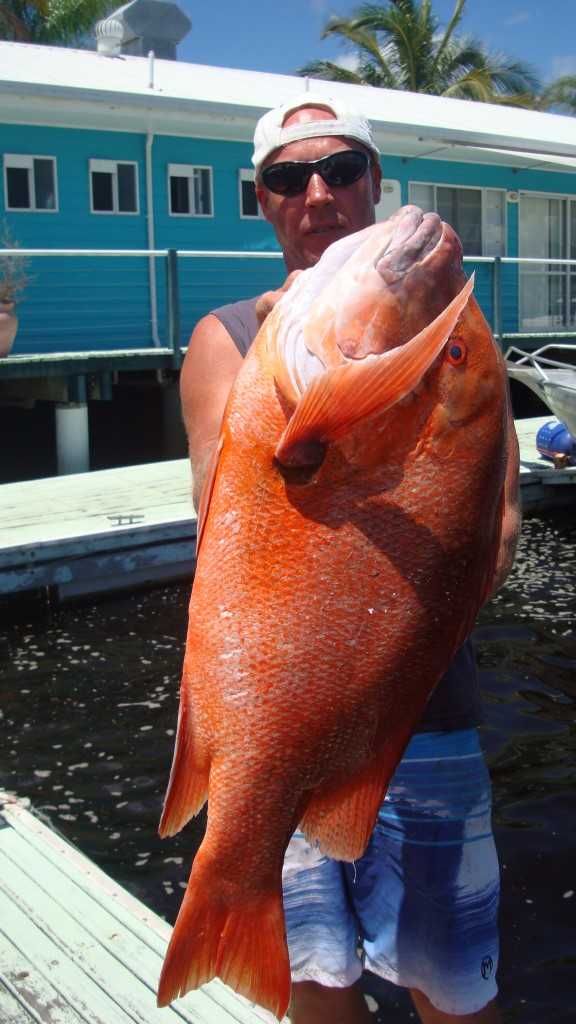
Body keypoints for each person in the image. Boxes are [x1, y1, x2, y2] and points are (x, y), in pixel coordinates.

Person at [179, 92, 521, 1024]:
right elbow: (224, 509)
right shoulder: (228, 339)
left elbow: (496, 523)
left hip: (425, 711)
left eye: (340, 170)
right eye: (289, 177)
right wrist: (307, 386)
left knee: (453, 984)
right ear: (263, 200)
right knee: (316, 983)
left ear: (374, 182)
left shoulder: (455, 339)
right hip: (275, 720)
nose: (317, 192)